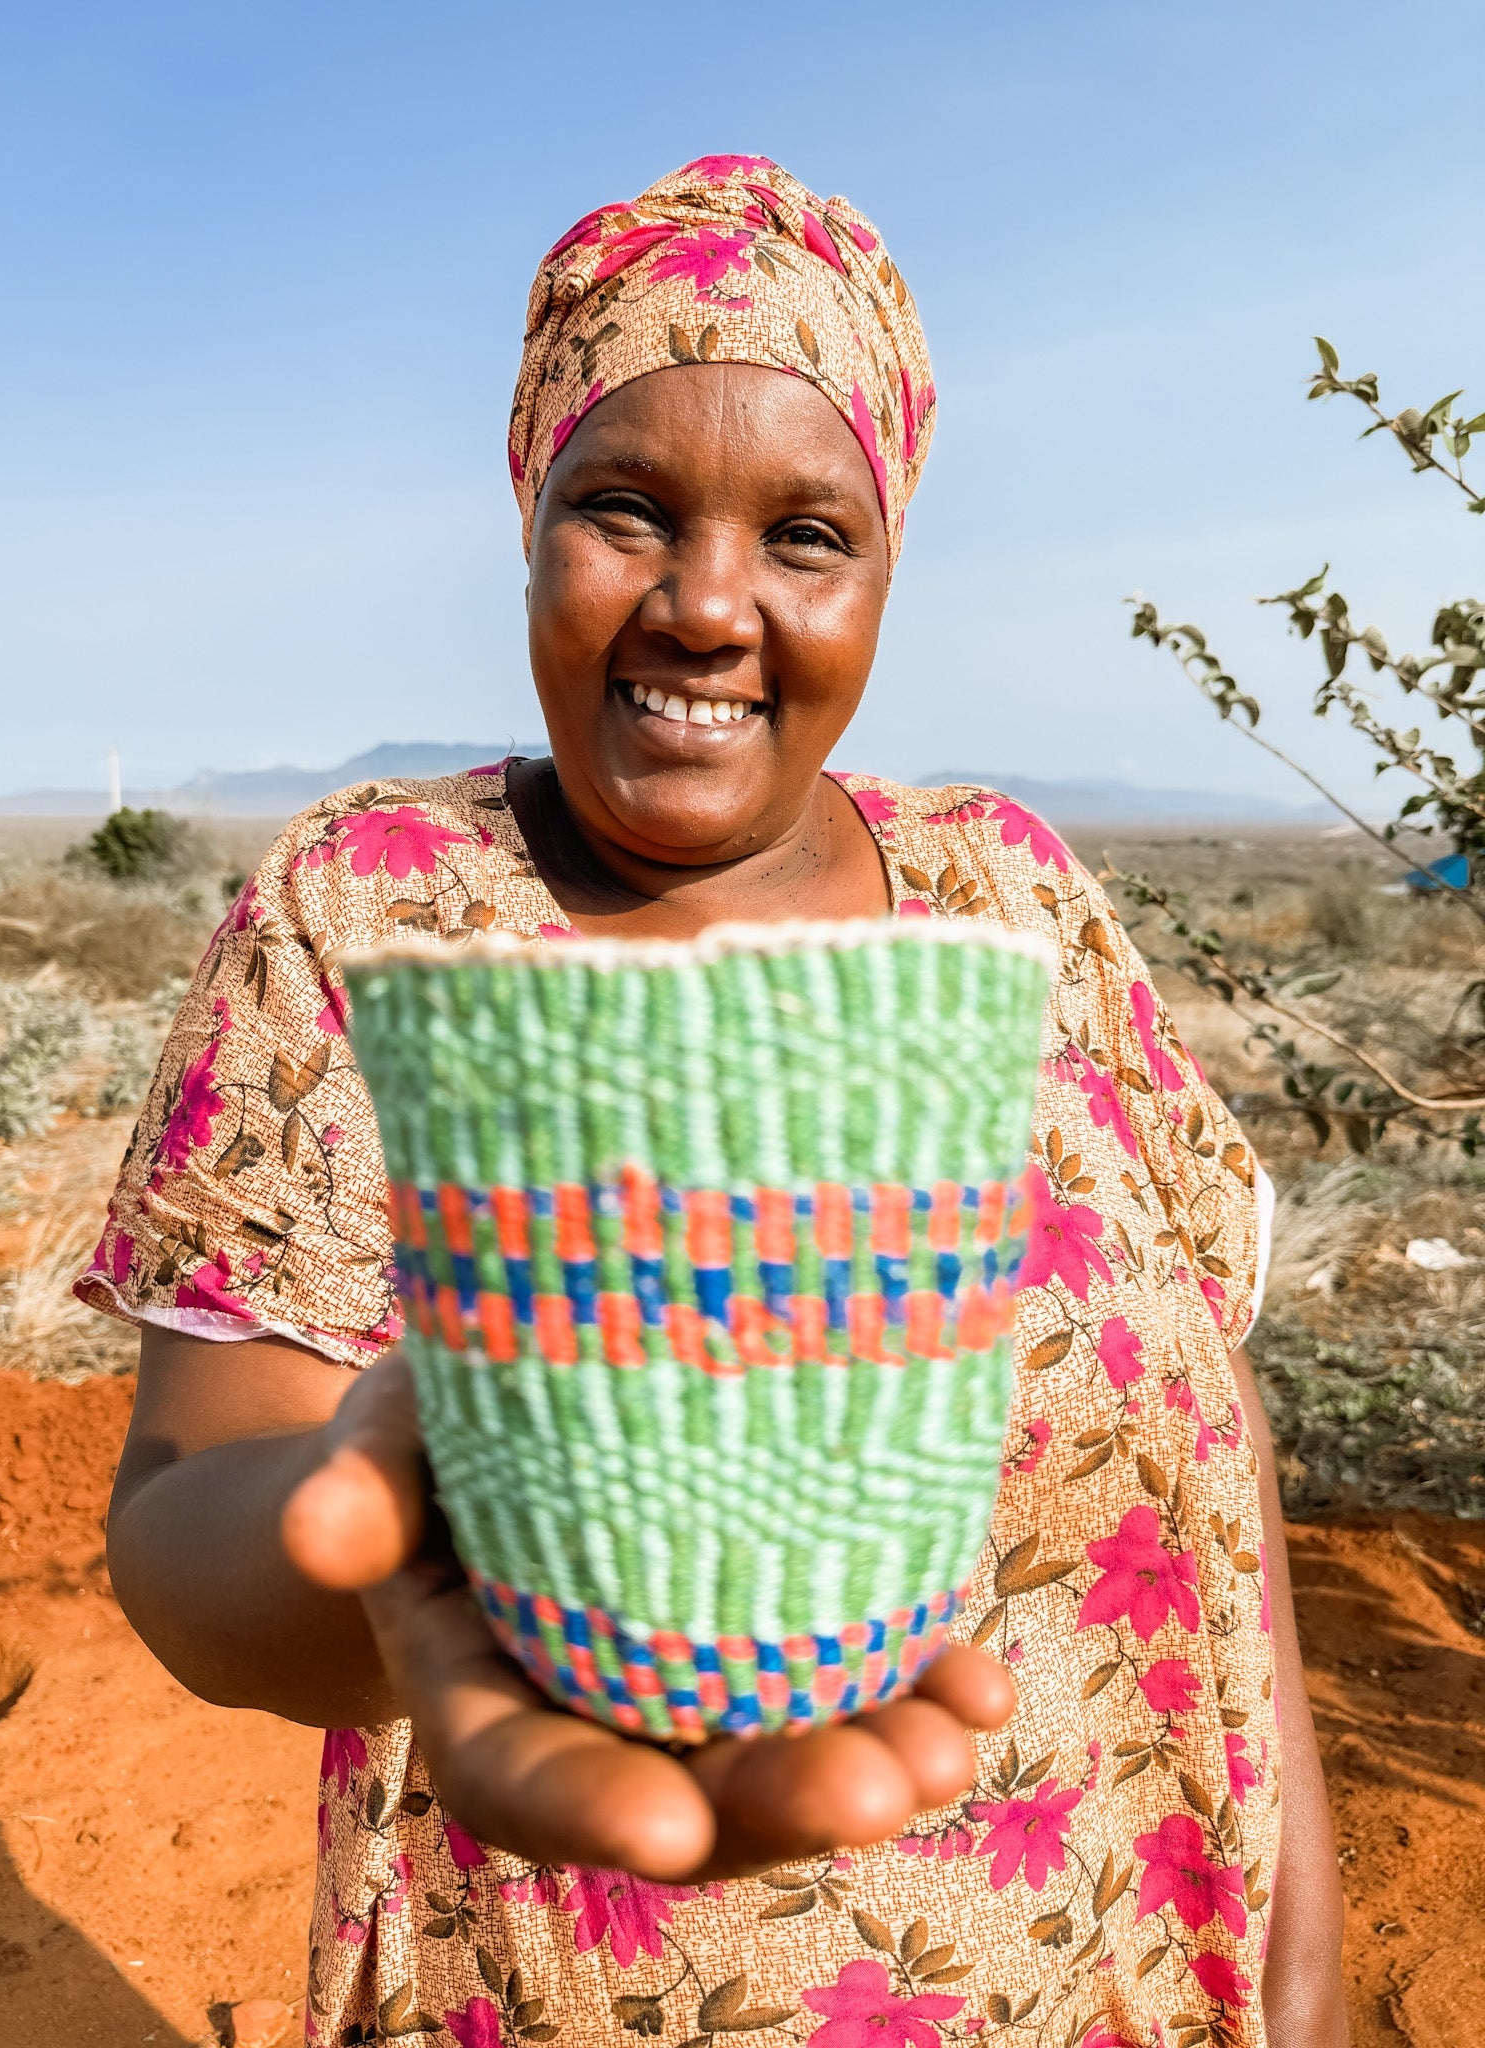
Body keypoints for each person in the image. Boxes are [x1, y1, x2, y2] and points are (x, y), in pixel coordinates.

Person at [82, 155, 1348, 2046]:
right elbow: (186, 1520)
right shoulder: (374, 910)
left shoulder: (1009, 893)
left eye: (805, 535)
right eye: (627, 509)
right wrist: (407, 1516)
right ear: (529, 521)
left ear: (883, 571)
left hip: (1127, 1967)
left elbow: (1213, 1454)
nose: (706, 602)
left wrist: (1297, 1949)